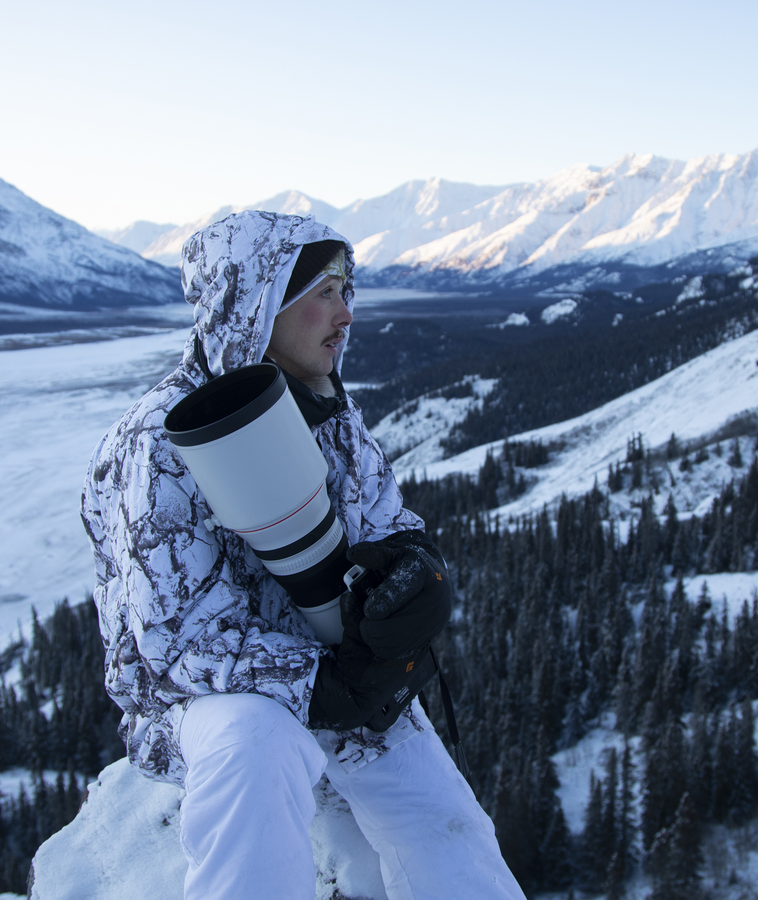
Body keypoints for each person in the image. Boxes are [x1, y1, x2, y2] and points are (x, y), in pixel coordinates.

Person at [81, 210, 525, 900]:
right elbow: (176, 640)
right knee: (257, 742)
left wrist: (418, 568)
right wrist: (318, 685)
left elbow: (387, 518)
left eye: (346, 291)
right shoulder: (161, 441)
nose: (345, 314)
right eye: (323, 293)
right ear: (256, 305)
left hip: (342, 674)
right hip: (207, 700)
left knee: (443, 820)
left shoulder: (328, 410)